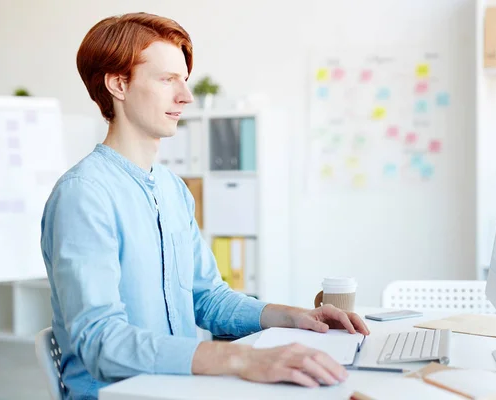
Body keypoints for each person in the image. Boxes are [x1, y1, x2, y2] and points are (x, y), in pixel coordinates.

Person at [40, 12, 370, 399]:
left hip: (183, 388)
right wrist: (241, 360)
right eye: (167, 79)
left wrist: (295, 316)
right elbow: (101, 341)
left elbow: (206, 297)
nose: (186, 96)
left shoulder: (172, 188)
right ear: (118, 84)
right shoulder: (84, 194)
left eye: (184, 80)